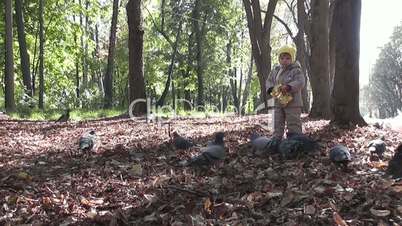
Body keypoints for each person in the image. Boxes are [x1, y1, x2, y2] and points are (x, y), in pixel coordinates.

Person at [266, 45, 305, 139]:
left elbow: (300, 82)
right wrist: (271, 88)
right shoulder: (275, 70)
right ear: (279, 59)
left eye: (288, 58)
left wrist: (289, 87)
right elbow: (269, 81)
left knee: (293, 120)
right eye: (282, 58)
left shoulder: (296, 70)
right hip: (278, 101)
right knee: (277, 120)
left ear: (292, 58)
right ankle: (276, 138)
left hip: (293, 102)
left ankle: (295, 138)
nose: (284, 60)